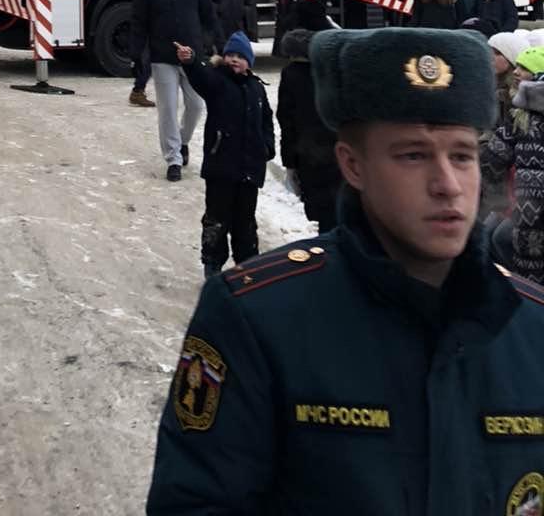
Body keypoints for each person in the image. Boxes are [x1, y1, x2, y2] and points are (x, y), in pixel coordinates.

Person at [147, 26, 544, 516]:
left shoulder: (531, 329)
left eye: (462, 155)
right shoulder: (259, 320)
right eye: (413, 155)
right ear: (353, 166)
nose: (448, 185)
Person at [177, 31, 274, 279]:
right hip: (221, 167)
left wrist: (267, 147)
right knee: (217, 220)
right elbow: (200, 78)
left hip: (249, 170)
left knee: (245, 223)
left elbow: (266, 121)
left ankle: (248, 267)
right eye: (230, 54)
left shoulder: (257, 89)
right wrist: (189, 61)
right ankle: (213, 265)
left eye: (240, 56)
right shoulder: (217, 82)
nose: (234, 60)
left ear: (249, 62)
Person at [130, 0, 215, 181]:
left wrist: (209, 45)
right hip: (162, 57)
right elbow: (139, 23)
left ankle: (182, 140)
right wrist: (137, 54)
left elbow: (208, 17)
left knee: (197, 105)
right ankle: (173, 159)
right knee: (168, 108)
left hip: (193, 57)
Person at [483, 44, 544, 282]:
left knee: (528, 279)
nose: (517, 72)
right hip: (525, 211)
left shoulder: (521, 113)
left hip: (528, 215)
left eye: (525, 68)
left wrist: (496, 199)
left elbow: (491, 161)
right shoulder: (517, 110)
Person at [276, 27, 342, 233]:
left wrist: (289, 163)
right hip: (337, 152)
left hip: (309, 155)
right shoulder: (331, 71)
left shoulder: (290, 75)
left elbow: (286, 120)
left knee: (325, 218)